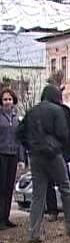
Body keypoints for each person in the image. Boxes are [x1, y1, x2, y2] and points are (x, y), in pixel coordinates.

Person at [15, 85, 70, 243]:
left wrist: (30, 146)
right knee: (65, 187)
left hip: (35, 155)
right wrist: (57, 146)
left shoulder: (32, 111)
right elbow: (64, 134)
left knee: (38, 194)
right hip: (53, 154)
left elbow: (19, 132)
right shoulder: (57, 110)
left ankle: (34, 232)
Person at [45, 101, 70, 221]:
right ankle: (52, 211)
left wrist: (68, 151)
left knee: (65, 183)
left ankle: (69, 210)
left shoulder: (64, 111)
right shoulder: (43, 112)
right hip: (48, 153)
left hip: (62, 153)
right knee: (49, 183)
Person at [0, 88, 24, 229]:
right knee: (1, 188)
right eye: (5, 99)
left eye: (9, 99)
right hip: (1, 154)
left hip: (13, 155)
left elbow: (19, 139)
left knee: (9, 187)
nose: (8, 102)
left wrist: (21, 158)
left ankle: (6, 217)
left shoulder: (16, 118)